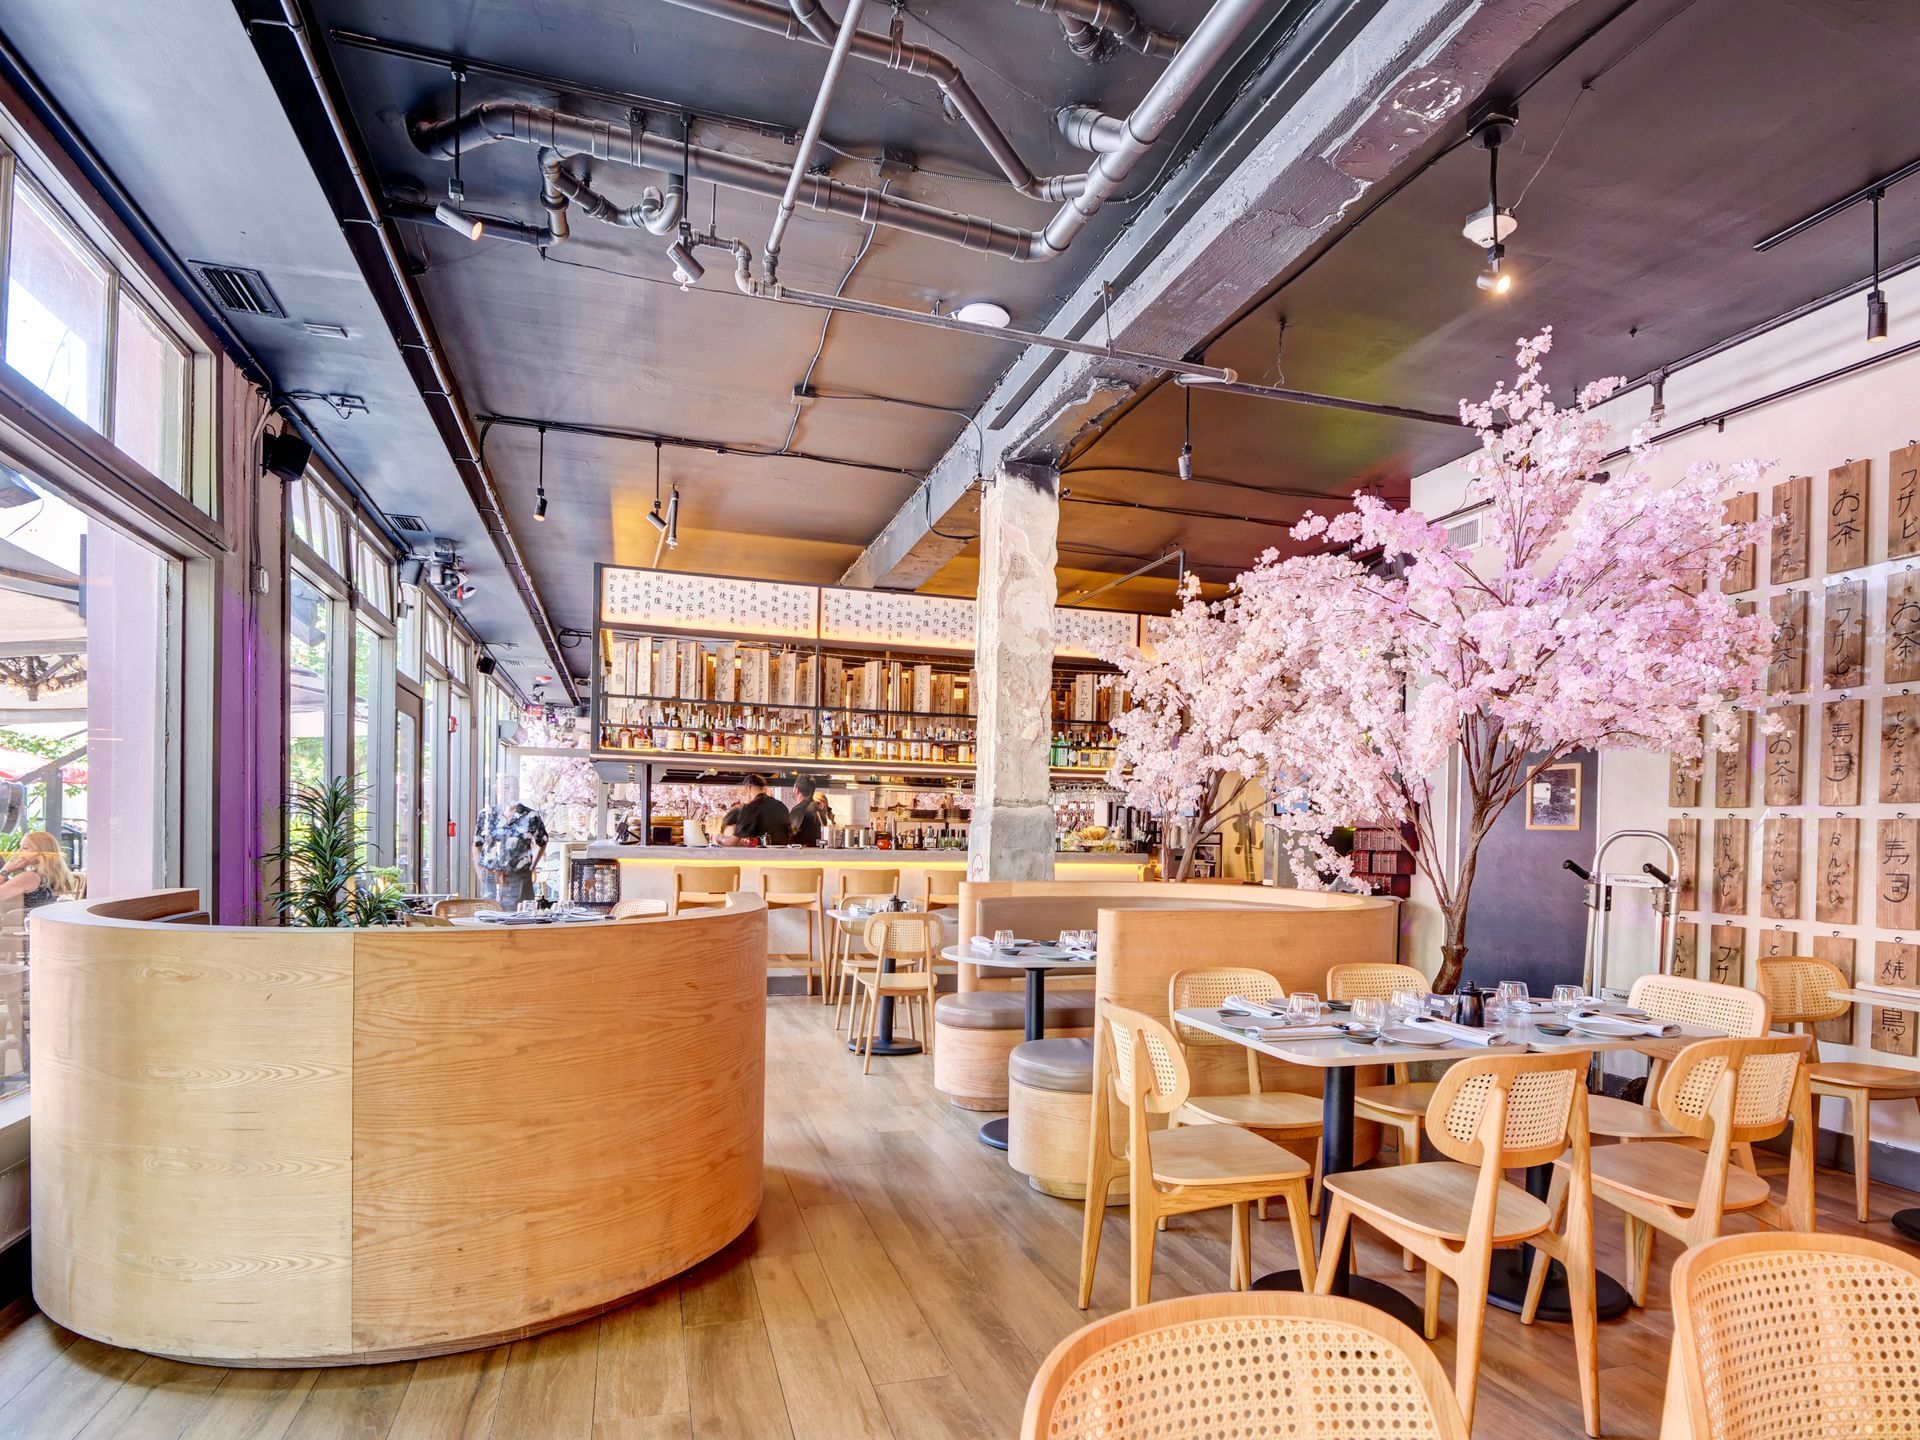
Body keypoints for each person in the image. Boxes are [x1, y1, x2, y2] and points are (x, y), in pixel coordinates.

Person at [472, 777, 549, 907]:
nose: (512, 791)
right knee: (489, 915)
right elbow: (477, 843)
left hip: (519, 877)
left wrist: (532, 866)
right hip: (491, 878)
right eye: (506, 787)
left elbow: (543, 841)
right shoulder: (486, 815)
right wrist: (480, 871)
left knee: (519, 918)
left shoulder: (530, 815)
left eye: (515, 787)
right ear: (497, 791)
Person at [0, 831, 81, 909]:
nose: (19, 851)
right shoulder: (51, 876)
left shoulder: (30, 877)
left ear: (41, 852)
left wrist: (6, 870)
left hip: (18, 921)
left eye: (25, 848)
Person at [716, 774, 789, 846]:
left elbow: (731, 843)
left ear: (748, 788)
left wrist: (719, 838)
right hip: (785, 855)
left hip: (761, 856)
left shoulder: (750, 808)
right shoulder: (781, 805)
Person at [787, 777, 831, 847]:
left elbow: (790, 838)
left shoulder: (798, 810)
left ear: (796, 790)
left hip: (803, 855)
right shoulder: (820, 811)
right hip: (818, 854)